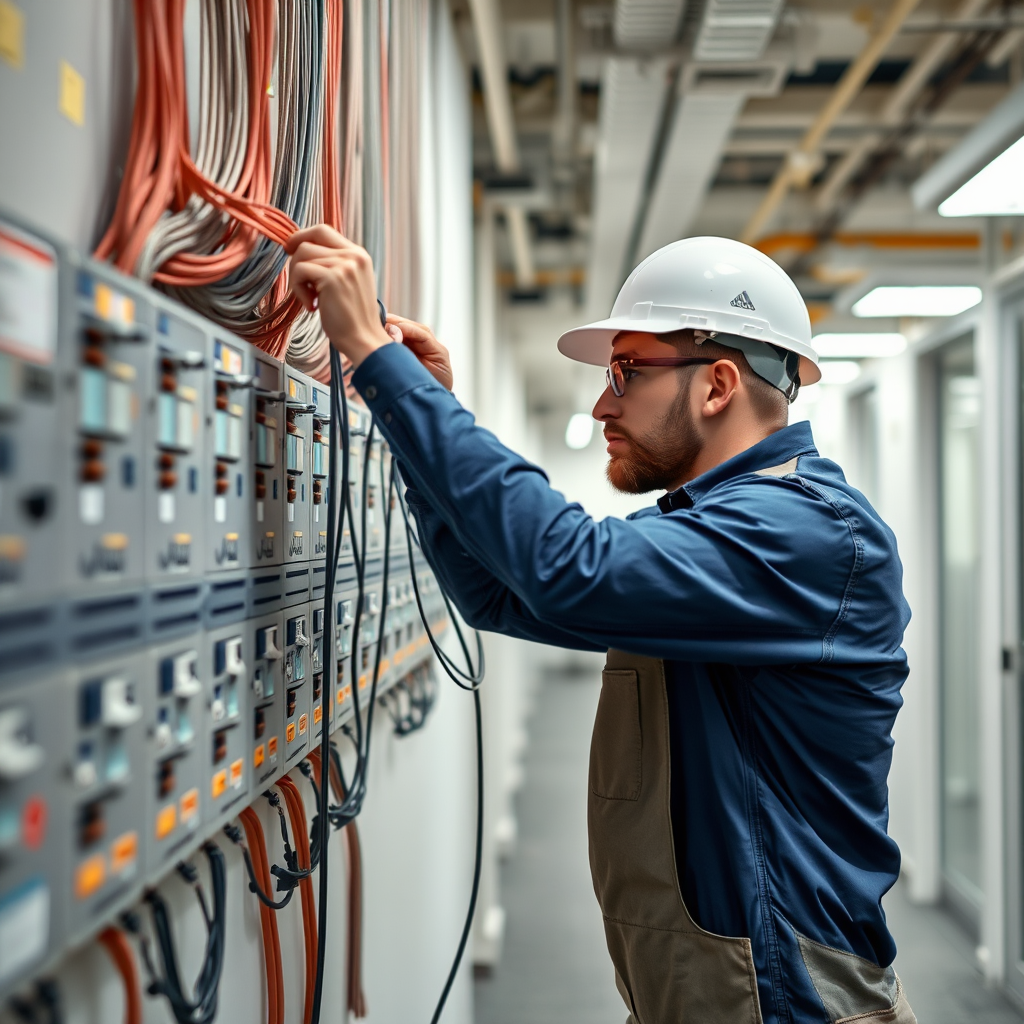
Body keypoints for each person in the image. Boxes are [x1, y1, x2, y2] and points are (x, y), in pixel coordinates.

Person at [285, 224, 916, 1024]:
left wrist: (378, 364)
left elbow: (564, 568)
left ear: (718, 384)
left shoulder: (805, 533)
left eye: (627, 372)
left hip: (786, 1003)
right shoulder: (720, 530)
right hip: (703, 996)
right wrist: (426, 411)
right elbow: (501, 595)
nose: (601, 402)